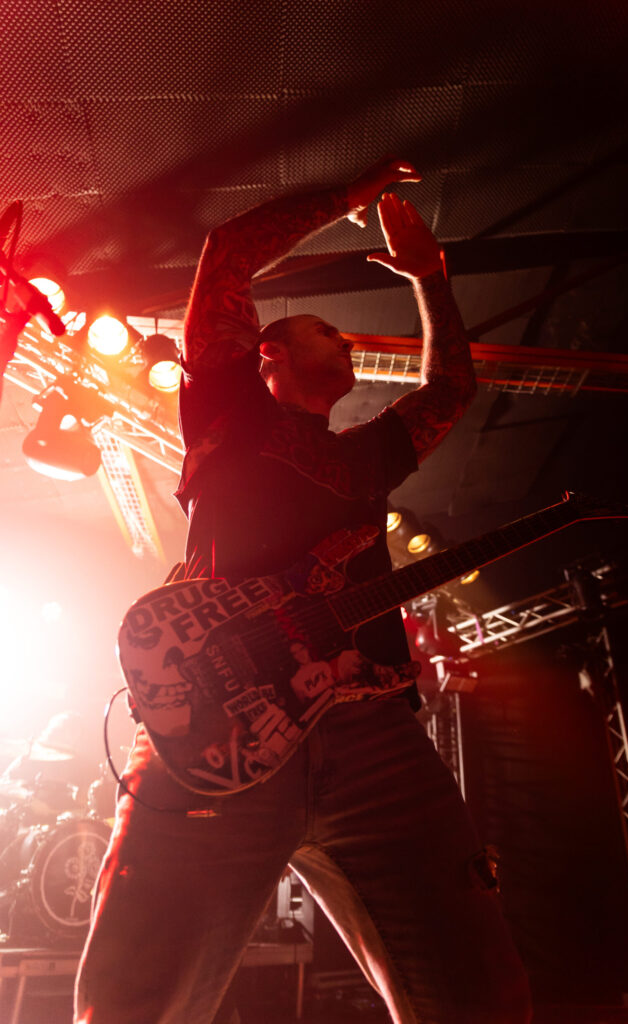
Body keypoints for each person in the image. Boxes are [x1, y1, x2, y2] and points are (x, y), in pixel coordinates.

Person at [75, 157, 531, 1023]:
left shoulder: (367, 458)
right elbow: (230, 252)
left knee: (480, 995)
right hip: (219, 725)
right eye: (332, 332)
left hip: (372, 733)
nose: (352, 344)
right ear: (268, 351)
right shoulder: (225, 406)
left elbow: (449, 390)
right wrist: (351, 194)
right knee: (137, 1003)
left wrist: (432, 281)